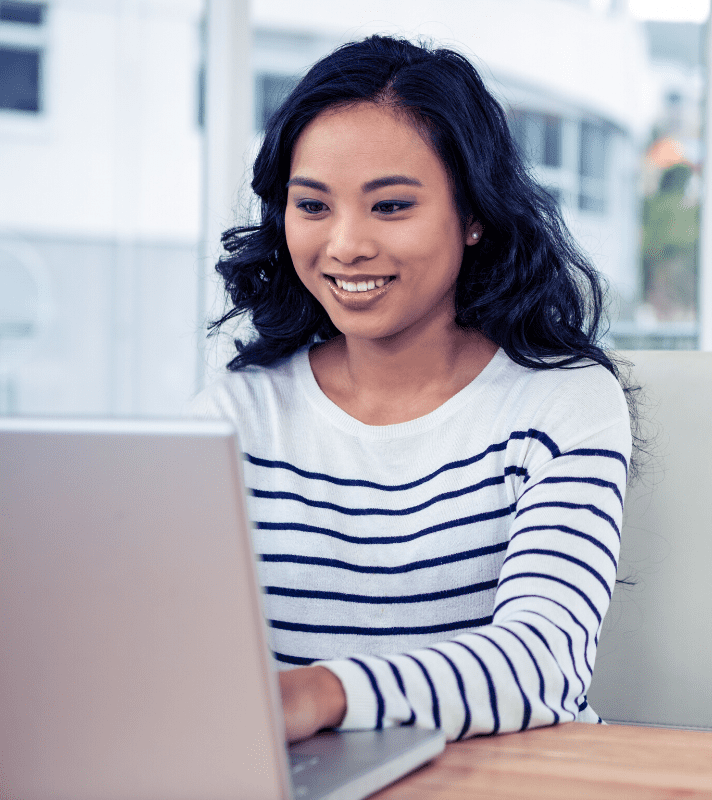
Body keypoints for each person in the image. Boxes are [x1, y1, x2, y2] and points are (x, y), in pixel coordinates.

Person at [188, 35, 634, 744]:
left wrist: (326, 692)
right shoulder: (236, 415)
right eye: (312, 206)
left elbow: (544, 662)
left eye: (390, 206)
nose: (345, 245)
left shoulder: (561, 404)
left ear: (474, 215)